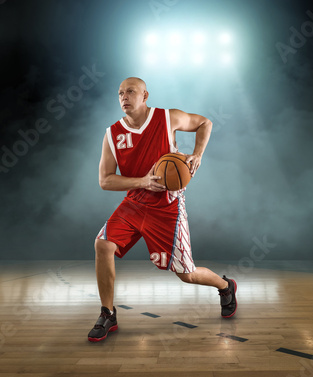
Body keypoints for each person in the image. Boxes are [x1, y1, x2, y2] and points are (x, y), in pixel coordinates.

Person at [88, 77, 237, 342]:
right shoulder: (112, 134)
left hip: (168, 207)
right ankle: (108, 313)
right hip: (134, 203)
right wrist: (142, 182)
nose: (124, 97)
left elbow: (205, 122)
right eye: (120, 93)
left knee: (186, 274)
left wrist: (197, 154)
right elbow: (105, 180)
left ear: (145, 96)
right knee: (102, 245)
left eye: (130, 91)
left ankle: (226, 287)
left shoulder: (167, 118)